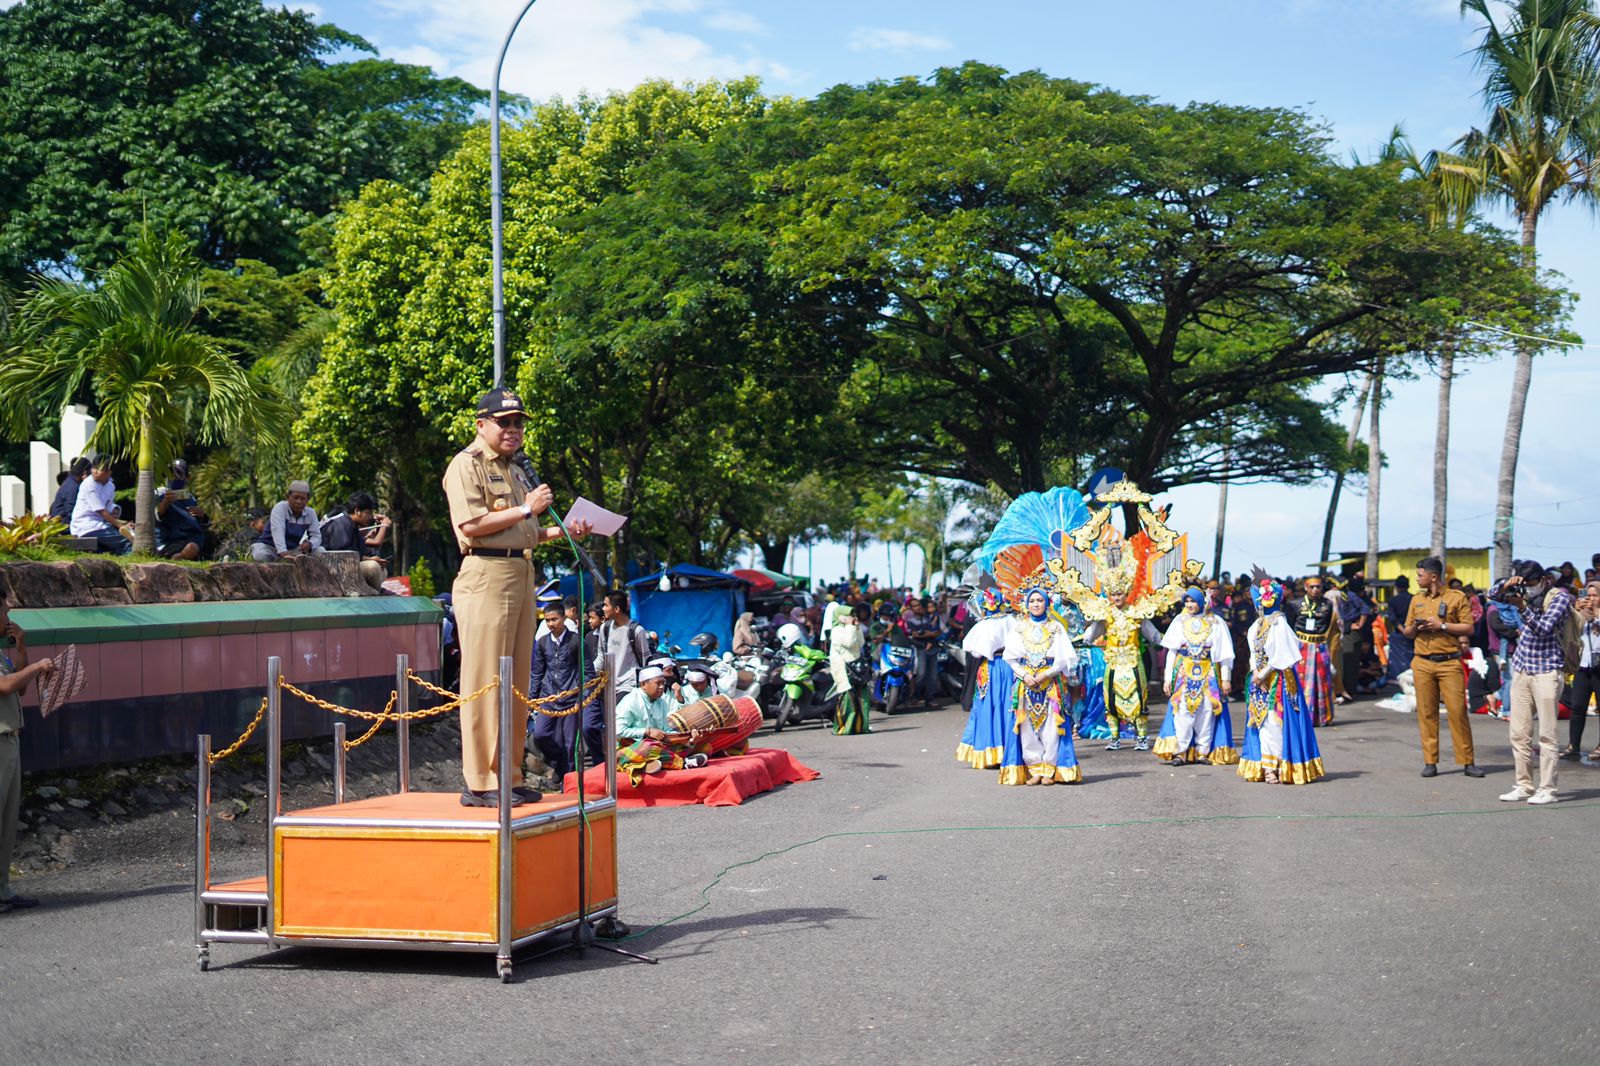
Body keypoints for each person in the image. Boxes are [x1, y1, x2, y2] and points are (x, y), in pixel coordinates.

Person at [442, 387, 590, 807]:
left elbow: (524, 531)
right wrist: (526, 509)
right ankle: (479, 780)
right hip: (485, 574)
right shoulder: (465, 465)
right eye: (503, 421)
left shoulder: (516, 468)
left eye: (518, 422)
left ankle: (508, 775)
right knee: (486, 681)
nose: (512, 429)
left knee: (516, 683)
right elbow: (471, 524)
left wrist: (563, 531)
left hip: (521, 572)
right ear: (481, 425)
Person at [1496, 562, 1576, 805]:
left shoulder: (1559, 597)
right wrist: (1506, 585)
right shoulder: (1521, 590)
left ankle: (1548, 789)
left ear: (1542, 579)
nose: (1527, 590)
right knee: (1518, 734)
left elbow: (1542, 628)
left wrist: (1522, 608)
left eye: (1530, 585)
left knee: (1547, 735)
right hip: (1522, 668)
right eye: (1524, 585)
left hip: (1546, 671)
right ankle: (1524, 785)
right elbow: (1492, 595)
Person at [1401, 556, 1484, 780]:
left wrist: (1442, 626)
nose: (1417, 578)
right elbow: (1407, 631)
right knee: (1427, 713)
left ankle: (1468, 762)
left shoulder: (1456, 598)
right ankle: (1430, 762)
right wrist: (1416, 628)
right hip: (1422, 662)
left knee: (1457, 712)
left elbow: (1469, 627)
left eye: (1420, 575)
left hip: (1449, 662)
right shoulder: (1416, 599)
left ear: (1433, 576)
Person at [1237, 574, 1324, 785]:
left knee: (1275, 723)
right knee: (1261, 722)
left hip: (1278, 681)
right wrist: (1254, 673)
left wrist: (1263, 673)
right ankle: (1267, 766)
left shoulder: (1279, 623)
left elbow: (1283, 656)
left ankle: (1274, 766)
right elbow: (1253, 653)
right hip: (1259, 680)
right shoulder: (1256, 625)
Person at [2, 587, 56, 914]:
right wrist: (36, 667)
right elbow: (5, 685)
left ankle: (3, 890)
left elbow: (18, 687)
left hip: (9, 741)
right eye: (4, 611)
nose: (8, 616)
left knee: (7, 822)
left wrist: (21, 647)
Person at [999, 581, 1080, 785]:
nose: (1036, 604)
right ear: (1026, 604)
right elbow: (1010, 658)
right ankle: (1034, 769)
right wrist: (1024, 674)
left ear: (1047, 603)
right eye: (1032, 600)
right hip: (1025, 684)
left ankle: (1049, 769)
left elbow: (1063, 659)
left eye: (1040, 600)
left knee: (1052, 727)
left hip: (1050, 684)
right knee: (1026, 727)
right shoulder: (1019, 628)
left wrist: (1046, 674)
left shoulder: (1056, 628)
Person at [1154, 587, 1238, 766]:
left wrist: (1226, 678)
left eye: (1193, 601)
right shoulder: (1179, 621)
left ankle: (1203, 751)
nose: (1190, 605)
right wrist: (1168, 678)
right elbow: (1172, 651)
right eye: (1187, 601)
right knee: (1183, 711)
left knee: (1207, 711)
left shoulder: (1216, 622)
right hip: (1184, 672)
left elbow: (1225, 654)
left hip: (1208, 673)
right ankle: (1181, 752)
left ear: (1202, 602)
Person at [1080, 581, 1162, 752]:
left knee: (1139, 698)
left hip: (1133, 660)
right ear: (1109, 596)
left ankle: (1141, 737)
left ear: (1126, 594)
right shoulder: (1105, 614)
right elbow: (1090, 635)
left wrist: (1173, 641)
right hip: (1113, 661)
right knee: (1111, 698)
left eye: (1120, 594)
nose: (1116, 597)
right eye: (1113, 594)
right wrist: (1083, 638)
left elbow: (1153, 634)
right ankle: (1115, 738)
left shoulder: (1136, 613)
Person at [614, 666, 711, 783]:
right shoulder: (630, 701)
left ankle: (650, 764)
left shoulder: (662, 702)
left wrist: (688, 740)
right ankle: (683, 763)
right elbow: (617, 731)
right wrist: (647, 731)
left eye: (663, 683)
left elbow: (666, 731)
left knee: (705, 747)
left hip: (658, 747)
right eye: (658, 683)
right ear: (643, 684)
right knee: (647, 746)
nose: (661, 687)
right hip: (630, 749)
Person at [956, 589, 1013, 766]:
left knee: (988, 706)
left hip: (990, 667)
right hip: (1011, 667)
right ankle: (1009, 750)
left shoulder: (982, 626)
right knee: (1009, 705)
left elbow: (975, 652)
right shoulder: (1012, 621)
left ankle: (989, 751)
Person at [528, 601, 582, 782]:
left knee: (569, 744)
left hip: (570, 698)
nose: (551, 624)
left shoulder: (575, 641)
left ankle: (570, 782)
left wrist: (582, 697)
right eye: (547, 620)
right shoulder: (542, 643)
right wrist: (532, 700)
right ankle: (558, 760)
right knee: (541, 734)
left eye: (554, 619)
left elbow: (587, 672)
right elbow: (537, 673)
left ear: (564, 619)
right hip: (548, 696)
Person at [320, 491, 392, 590]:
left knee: (381, 569)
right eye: (368, 513)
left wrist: (374, 558)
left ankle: (372, 593)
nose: (371, 517)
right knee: (373, 568)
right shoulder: (341, 523)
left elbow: (359, 553)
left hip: (348, 566)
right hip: (333, 569)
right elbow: (341, 556)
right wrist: (371, 559)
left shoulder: (352, 524)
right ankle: (373, 598)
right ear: (357, 511)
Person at [1289, 575, 1337, 725]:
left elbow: (1328, 623)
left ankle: (1321, 716)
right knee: (1300, 681)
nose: (1315, 590)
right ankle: (1301, 716)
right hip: (1302, 646)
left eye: (1318, 587)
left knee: (1322, 680)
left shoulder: (1327, 604)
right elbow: (1291, 627)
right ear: (1305, 588)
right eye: (1312, 587)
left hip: (1319, 645)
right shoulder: (1295, 604)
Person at [69, 457, 132, 555]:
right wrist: (121, 526)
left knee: (126, 538)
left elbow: (107, 506)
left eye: (100, 469)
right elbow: (101, 510)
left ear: (109, 472)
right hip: (87, 525)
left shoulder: (110, 486)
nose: (95, 472)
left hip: (100, 524)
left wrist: (115, 511)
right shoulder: (88, 484)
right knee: (125, 540)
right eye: (94, 468)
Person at [252, 480, 325, 562]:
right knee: (260, 555)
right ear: (288, 497)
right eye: (296, 497)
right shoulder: (280, 508)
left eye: (302, 498)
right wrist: (283, 551)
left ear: (307, 500)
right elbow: (278, 530)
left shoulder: (310, 513)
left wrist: (310, 544)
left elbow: (316, 536)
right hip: (270, 548)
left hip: (292, 550)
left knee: (321, 551)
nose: (298, 501)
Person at [829, 602, 873, 735]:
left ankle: (860, 727)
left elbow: (860, 643)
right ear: (840, 616)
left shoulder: (851, 628)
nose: (852, 617)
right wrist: (850, 626)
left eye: (852, 615)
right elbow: (849, 643)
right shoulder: (836, 630)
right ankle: (843, 728)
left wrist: (857, 628)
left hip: (856, 668)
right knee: (848, 700)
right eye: (848, 615)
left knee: (862, 698)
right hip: (844, 669)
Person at [1568, 580, 1600, 762]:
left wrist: (1596, 612)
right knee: (1577, 706)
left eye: (1596, 595)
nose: (1591, 599)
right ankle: (1574, 745)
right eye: (1589, 595)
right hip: (1583, 664)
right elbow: (1571, 630)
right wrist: (1576, 610)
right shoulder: (1583, 614)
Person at [900, 597, 942, 706]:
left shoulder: (929, 617)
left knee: (932, 676)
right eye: (915, 606)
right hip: (920, 649)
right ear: (911, 608)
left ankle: (929, 699)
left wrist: (927, 634)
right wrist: (929, 634)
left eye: (918, 605)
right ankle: (915, 696)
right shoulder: (910, 621)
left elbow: (937, 632)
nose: (918, 607)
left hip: (933, 648)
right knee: (921, 674)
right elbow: (915, 634)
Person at [152, 486, 207, 560]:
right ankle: (178, 557)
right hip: (168, 544)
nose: (176, 477)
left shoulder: (190, 496)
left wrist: (203, 516)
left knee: (193, 547)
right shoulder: (159, 493)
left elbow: (201, 523)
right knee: (192, 547)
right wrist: (165, 503)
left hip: (192, 541)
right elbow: (156, 516)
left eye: (181, 474)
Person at [1386, 575, 1415, 683]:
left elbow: (1393, 619)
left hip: (1399, 634)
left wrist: (1403, 630)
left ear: (1397, 587)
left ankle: (1397, 678)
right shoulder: (1414, 598)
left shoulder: (1393, 601)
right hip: (1413, 633)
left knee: (1398, 659)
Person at [49, 458, 90, 522]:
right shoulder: (74, 487)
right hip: (65, 524)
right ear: (84, 473)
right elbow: (70, 511)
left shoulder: (70, 481)